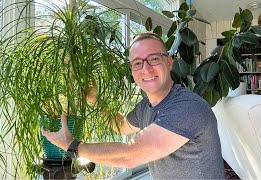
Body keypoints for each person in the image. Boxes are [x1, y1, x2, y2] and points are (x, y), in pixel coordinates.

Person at [42, 32, 225, 179]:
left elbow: (130, 155)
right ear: (132, 70)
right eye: (137, 63)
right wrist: (95, 100)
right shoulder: (146, 106)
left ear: (169, 62)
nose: (146, 69)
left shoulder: (188, 107)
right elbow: (120, 126)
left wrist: (71, 145)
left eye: (154, 59)